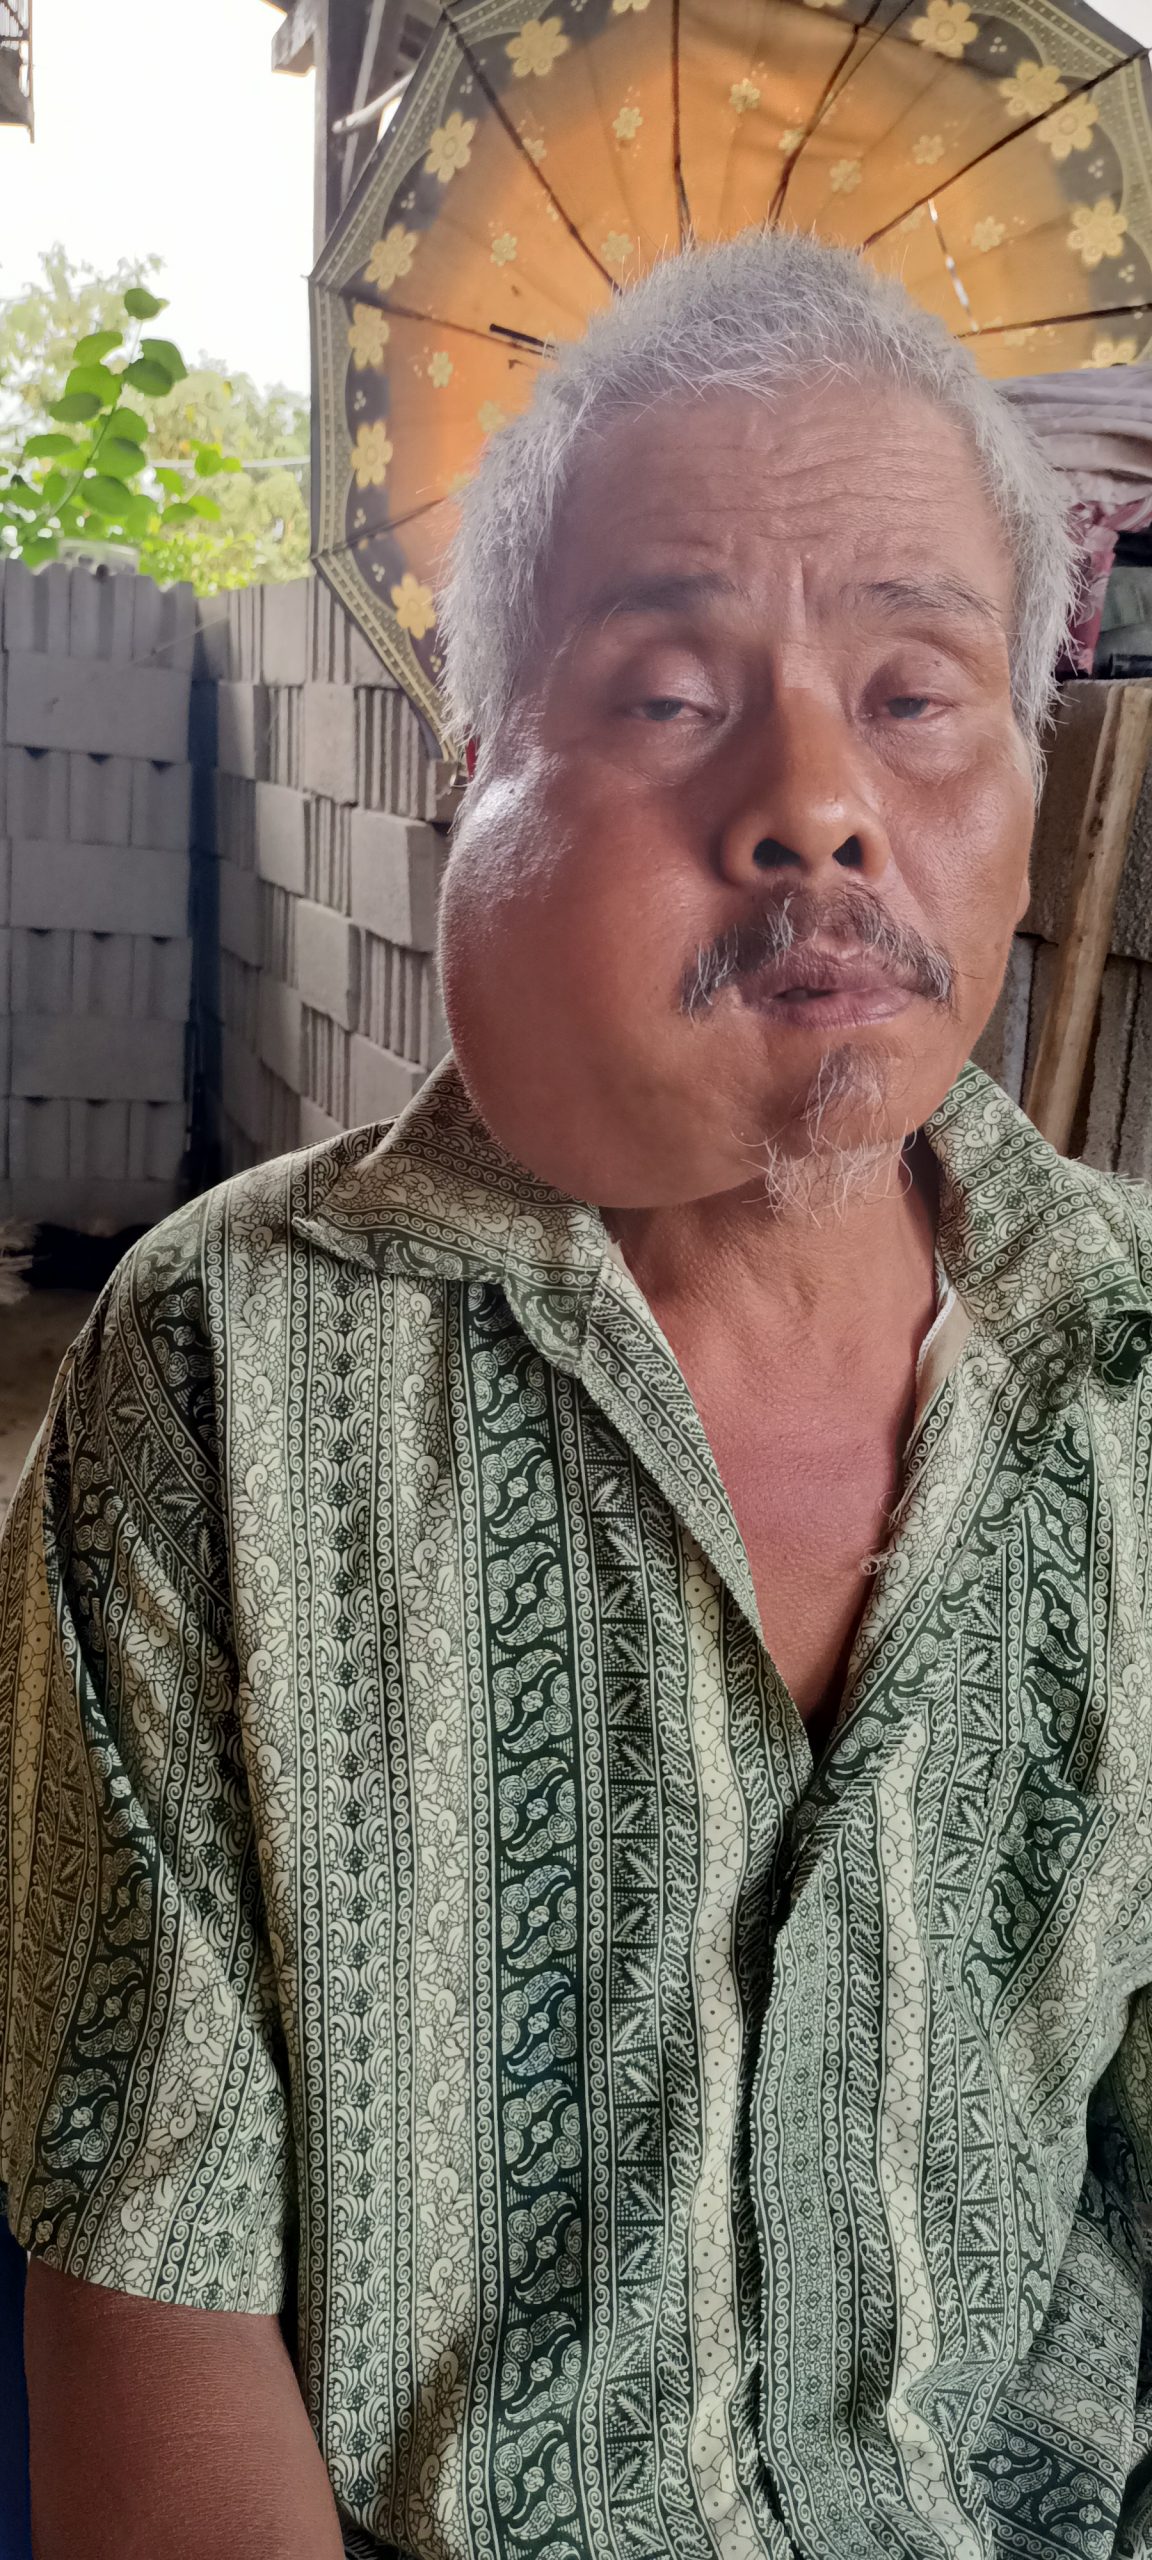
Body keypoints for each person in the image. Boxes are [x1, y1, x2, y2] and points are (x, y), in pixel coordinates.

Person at [3, 227, 1151, 2560]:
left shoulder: (1129, 1359)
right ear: (477, 767)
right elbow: (148, 2291)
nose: (820, 802)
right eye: (670, 694)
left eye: (917, 696)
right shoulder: (223, 1370)